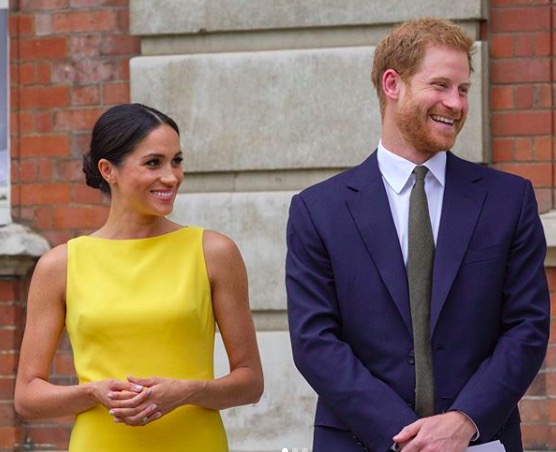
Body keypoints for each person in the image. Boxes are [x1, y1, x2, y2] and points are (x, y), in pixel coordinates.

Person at [286, 17, 549, 452]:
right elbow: (315, 341)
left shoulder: (509, 200)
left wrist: (464, 421)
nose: (457, 103)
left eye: (463, 89)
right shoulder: (318, 210)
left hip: (479, 440)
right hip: (360, 441)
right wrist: (407, 438)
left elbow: (527, 326)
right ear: (393, 84)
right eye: (441, 85)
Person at [15, 103, 264, 451]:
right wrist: (92, 392)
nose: (171, 176)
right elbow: (27, 396)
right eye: (153, 163)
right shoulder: (60, 265)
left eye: (176, 161)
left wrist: (187, 391)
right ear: (108, 170)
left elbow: (250, 382)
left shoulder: (214, 253)